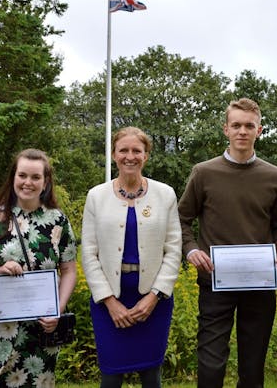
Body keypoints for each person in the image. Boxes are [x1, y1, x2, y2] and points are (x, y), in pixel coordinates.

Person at [177, 97, 277, 388]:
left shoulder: (275, 176)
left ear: (260, 130)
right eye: (236, 125)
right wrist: (191, 250)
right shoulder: (203, 172)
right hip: (215, 280)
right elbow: (181, 220)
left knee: (253, 366)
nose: (243, 131)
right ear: (225, 129)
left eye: (249, 126)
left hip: (260, 282)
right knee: (211, 362)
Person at [82, 126, 182, 388]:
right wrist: (109, 301)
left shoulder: (165, 195)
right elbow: (89, 254)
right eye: (123, 150)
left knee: (151, 377)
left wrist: (154, 297)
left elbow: (173, 251)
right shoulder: (96, 196)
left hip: (153, 302)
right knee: (111, 377)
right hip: (108, 302)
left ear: (146, 155)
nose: (130, 156)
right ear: (114, 154)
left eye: (136, 150)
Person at [0, 148, 77, 388]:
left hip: (42, 328)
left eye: (35, 177)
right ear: (13, 178)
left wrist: (57, 310)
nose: (27, 182)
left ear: (45, 182)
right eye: (22, 176)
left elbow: (69, 271)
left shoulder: (58, 221)